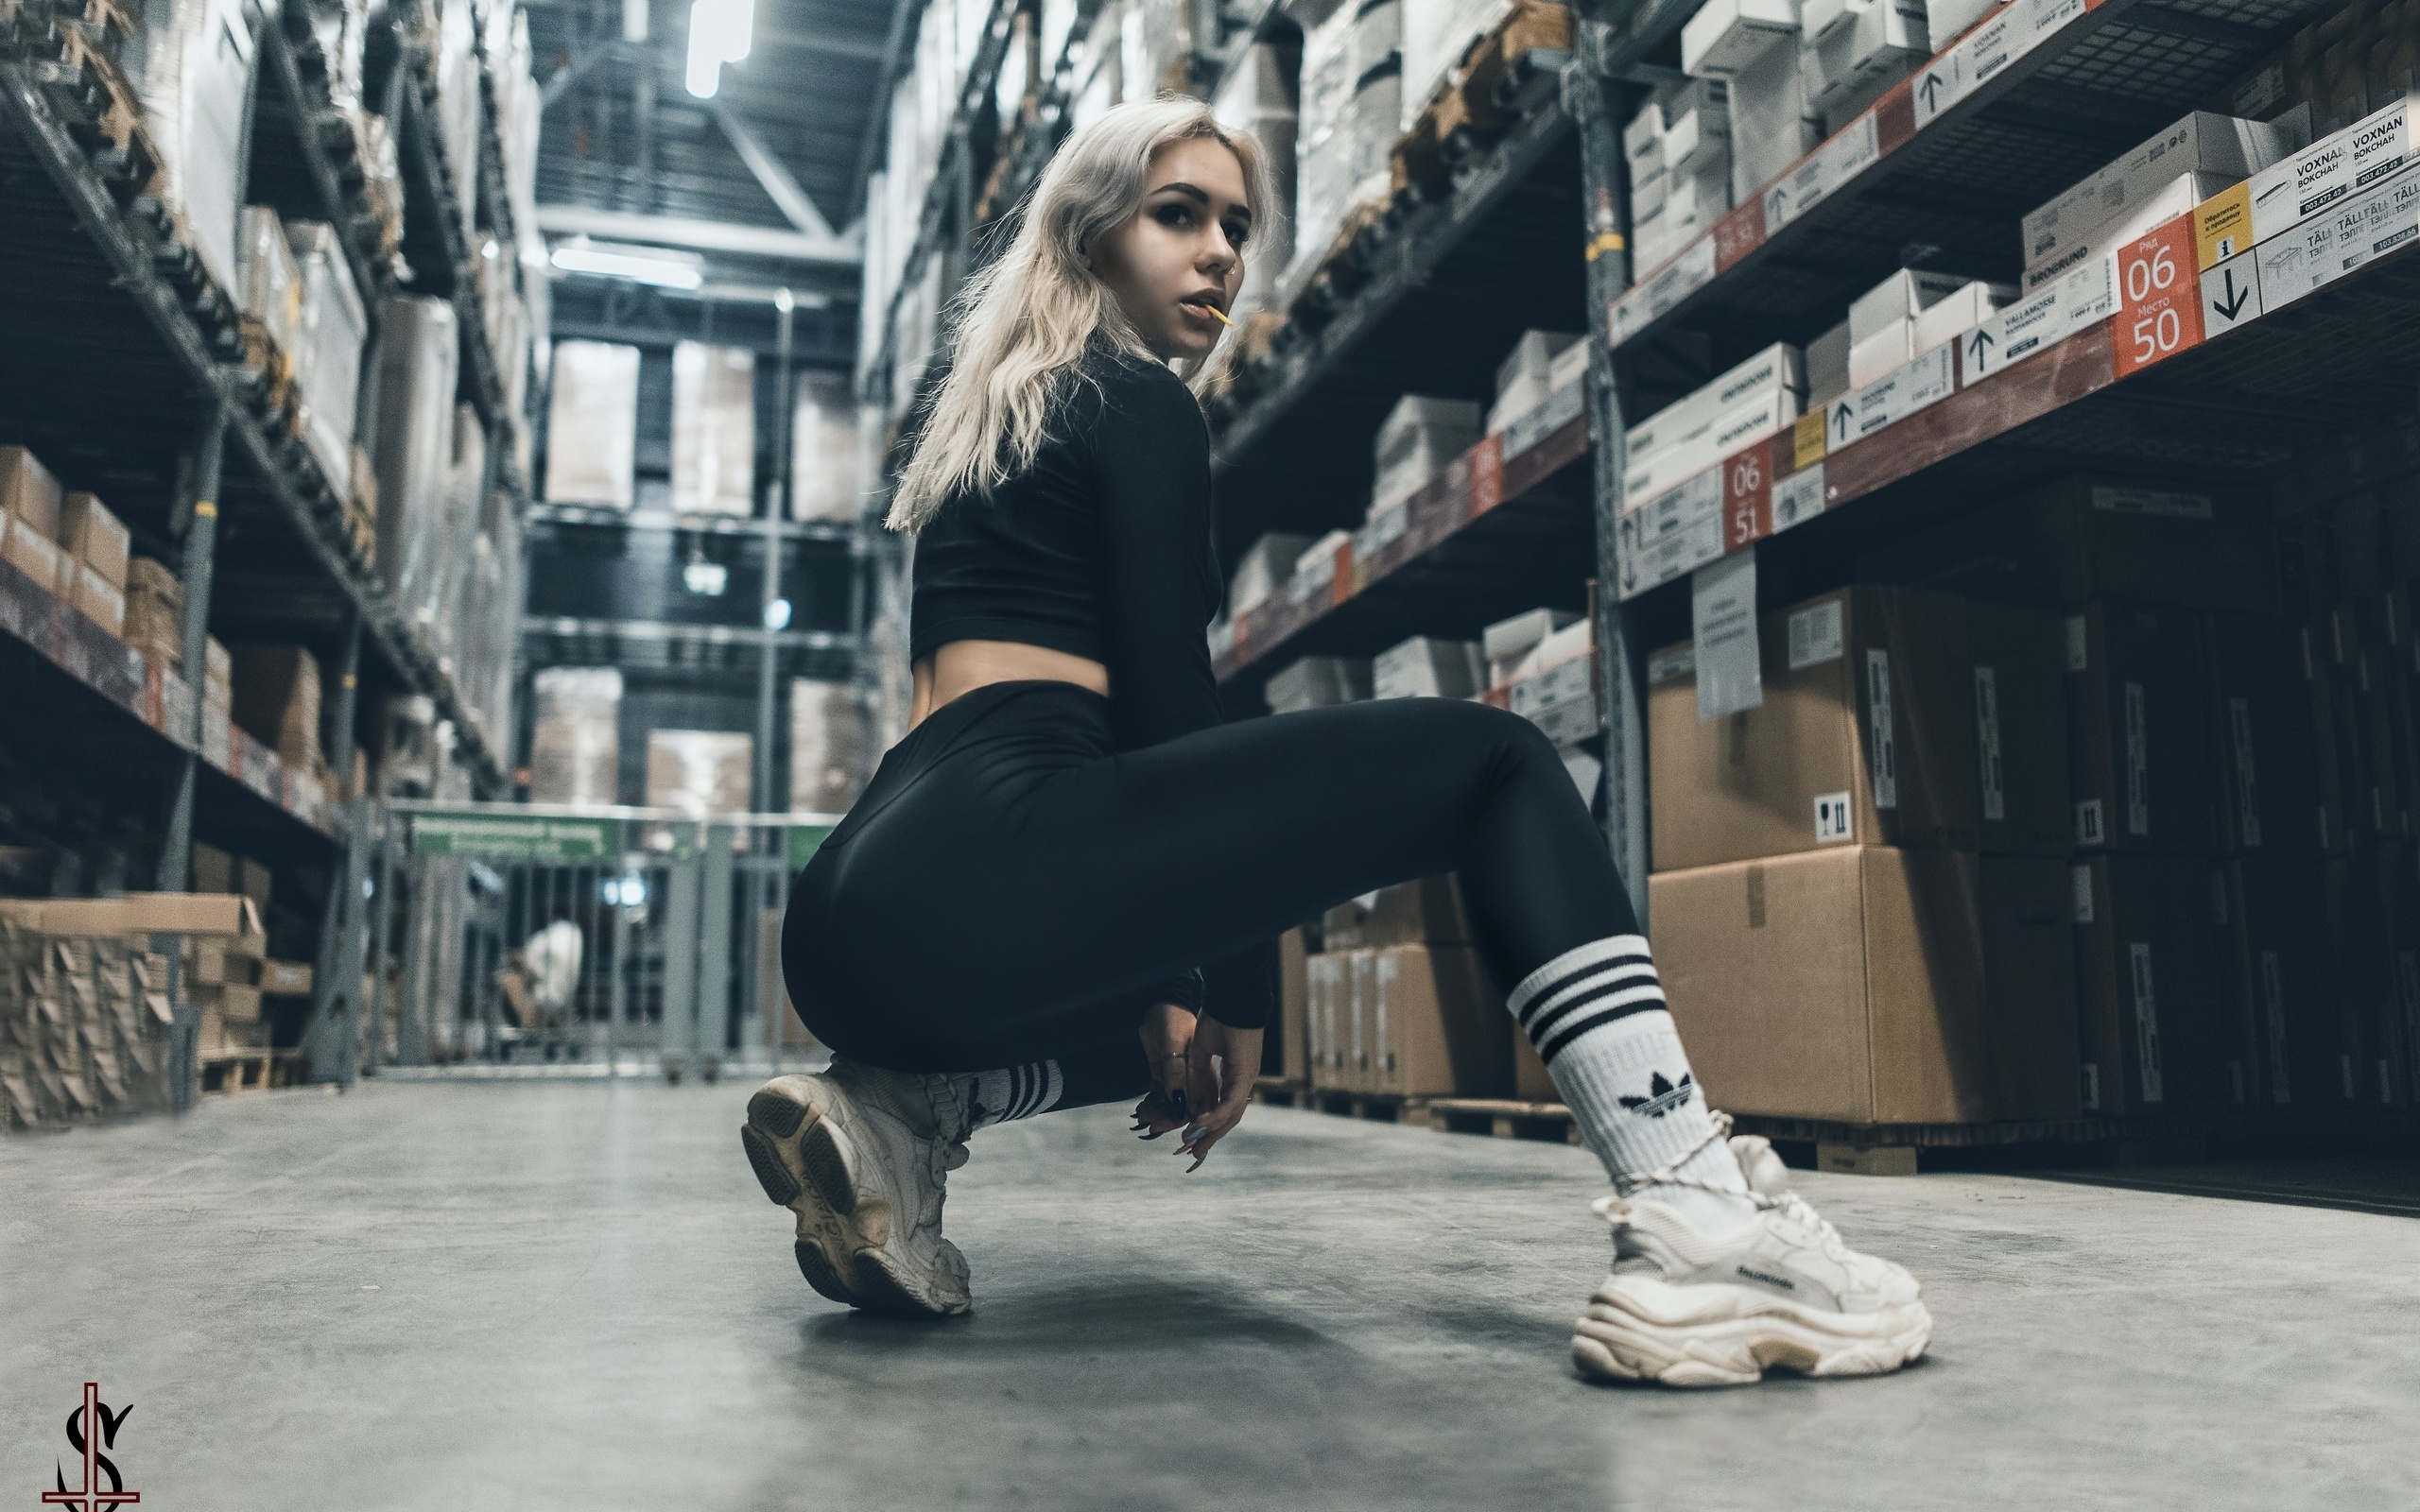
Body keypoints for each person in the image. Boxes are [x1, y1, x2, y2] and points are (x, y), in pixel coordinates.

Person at [741, 95, 1930, 1387]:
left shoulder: (987, 429)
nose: (1220, 257)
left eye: (1238, 229)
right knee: (1500, 766)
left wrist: (1189, 987)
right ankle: (1697, 1208)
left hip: (858, 923)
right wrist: (1235, 987)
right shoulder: (1136, 401)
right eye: (1178, 215)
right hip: (997, 845)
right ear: (1088, 236)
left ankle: (904, 1113)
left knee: (1165, 1027)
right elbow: (1165, 700)